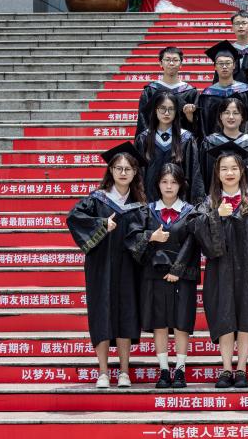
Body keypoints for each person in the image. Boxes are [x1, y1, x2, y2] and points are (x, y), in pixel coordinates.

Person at [66, 142, 148, 389]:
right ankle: (103, 372)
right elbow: (74, 218)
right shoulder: (97, 199)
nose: (123, 173)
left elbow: (145, 234)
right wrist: (101, 224)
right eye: (118, 168)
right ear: (110, 170)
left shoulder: (140, 204)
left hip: (129, 267)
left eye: (128, 169)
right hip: (100, 266)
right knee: (101, 313)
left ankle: (124, 372)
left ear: (135, 172)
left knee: (126, 314)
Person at [193, 141, 248, 389]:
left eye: (234, 168)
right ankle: (225, 368)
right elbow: (195, 228)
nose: (229, 173)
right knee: (224, 317)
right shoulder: (209, 202)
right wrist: (216, 216)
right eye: (224, 168)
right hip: (219, 269)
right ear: (217, 172)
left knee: (246, 317)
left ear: (242, 171)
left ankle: (241, 368)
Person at [138, 163, 199, 390]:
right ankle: (164, 370)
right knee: (160, 323)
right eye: (164, 182)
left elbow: (193, 243)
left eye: (174, 182)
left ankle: (180, 370)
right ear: (158, 184)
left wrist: (177, 270)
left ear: (181, 185)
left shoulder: (191, 211)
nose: (169, 186)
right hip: (155, 275)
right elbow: (136, 238)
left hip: (183, 275)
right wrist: (150, 237)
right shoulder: (148, 210)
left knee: (182, 323)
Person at [134, 93, 202, 202]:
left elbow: (194, 173)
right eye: (162, 108)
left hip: (179, 203)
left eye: (171, 109)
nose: (166, 113)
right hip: (150, 203)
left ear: (176, 112)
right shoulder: (143, 139)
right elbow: (139, 175)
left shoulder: (186, 139)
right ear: (155, 110)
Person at [197, 97, 248, 194]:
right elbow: (202, 175)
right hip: (214, 199)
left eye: (236, 113)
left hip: (246, 199)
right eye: (226, 113)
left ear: (242, 117)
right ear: (220, 116)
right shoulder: (209, 143)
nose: (231, 117)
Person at [196, 41, 248, 140]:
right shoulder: (207, 95)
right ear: (215, 67)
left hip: (242, 143)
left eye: (228, 63)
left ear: (234, 65)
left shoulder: (246, 91)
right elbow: (204, 125)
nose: (224, 66)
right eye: (220, 63)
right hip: (215, 144)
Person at [136, 46, 197, 134]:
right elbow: (143, 121)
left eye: (175, 60)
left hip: (182, 139)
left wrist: (189, 114)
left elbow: (196, 124)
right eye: (167, 60)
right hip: (155, 139)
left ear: (181, 64)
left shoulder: (190, 92)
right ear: (161, 63)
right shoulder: (150, 90)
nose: (171, 63)